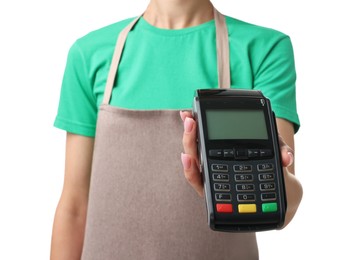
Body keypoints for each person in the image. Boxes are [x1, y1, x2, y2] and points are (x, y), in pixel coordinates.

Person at [50, 0, 303, 259]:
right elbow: (74, 206)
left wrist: (268, 177)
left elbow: (286, 204)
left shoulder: (265, 49)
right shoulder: (89, 53)